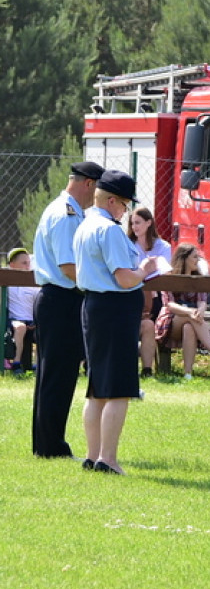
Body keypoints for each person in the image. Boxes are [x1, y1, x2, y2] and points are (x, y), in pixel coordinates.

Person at [72, 170, 159, 474]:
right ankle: (107, 459)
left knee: (98, 387)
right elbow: (124, 278)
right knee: (119, 388)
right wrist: (145, 269)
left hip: (94, 307)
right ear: (111, 201)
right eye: (124, 205)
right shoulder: (108, 230)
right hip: (114, 309)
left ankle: (92, 454)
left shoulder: (85, 224)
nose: (126, 212)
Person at [31, 160, 104, 459]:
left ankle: (46, 444)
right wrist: (100, 282)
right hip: (62, 298)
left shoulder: (65, 210)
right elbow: (68, 267)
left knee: (53, 375)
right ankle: (51, 447)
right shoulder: (67, 214)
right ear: (89, 183)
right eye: (98, 188)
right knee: (58, 377)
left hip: (57, 299)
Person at [154, 243, 210, 379]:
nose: (198, 260)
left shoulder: (198, 278)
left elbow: (202, 301)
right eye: (194, 257)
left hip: (192, 320)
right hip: (170, 320)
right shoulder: (170, 277)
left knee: (189, 327)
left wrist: (201, 310)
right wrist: (190, 312)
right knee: (190, 318)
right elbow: (170, 304)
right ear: (184, 258)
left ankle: (188, 373)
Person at [127, 207, 172, 377]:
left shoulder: (162, 246)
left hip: (156, 297)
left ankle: (147, 370)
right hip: (132, 295)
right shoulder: (127, 245)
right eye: (132, 223)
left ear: (149, 222)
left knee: (149, 324)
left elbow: (166, 271)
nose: (134, 227)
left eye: (138, 222)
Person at [5, 247, 39, 374]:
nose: (27, 266)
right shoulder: (7, 283)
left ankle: (39, 365)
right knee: (20, 328)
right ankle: (16, 363)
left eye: (28, 263)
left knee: (45, 328)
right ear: (12, 265)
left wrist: (36, 321)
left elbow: (38, 304)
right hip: (15, 320)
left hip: (32, 320)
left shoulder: (32, 282)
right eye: (24, 263)